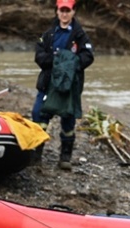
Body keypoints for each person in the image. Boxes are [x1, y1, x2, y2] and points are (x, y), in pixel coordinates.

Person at [31, 0, 94, 170]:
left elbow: (88, 56)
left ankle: (65, 157)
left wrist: (69, 64)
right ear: (57, 12)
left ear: (74, 12)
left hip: (69, 86)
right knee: (39, 116)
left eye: (68, 11)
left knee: (68, 121)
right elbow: (39, 56)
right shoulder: (49, 34)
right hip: (48, 84)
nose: (64, 14)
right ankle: (36, 155)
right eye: (62, 10)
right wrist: (56, 61)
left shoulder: (81, 36)